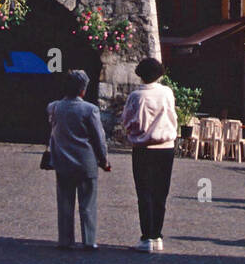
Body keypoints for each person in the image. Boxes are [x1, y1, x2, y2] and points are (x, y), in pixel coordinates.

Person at [47, 70, 110, 250]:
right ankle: (89, 240)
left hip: (63, 161)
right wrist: (104, 160)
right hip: (86, 162)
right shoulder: (90, 110)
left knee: (65, 203)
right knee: (88, 204)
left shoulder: (54, 107)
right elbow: (99, 138)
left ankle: (65, 240)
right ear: (83, 90)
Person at [121, 58, 178, 253]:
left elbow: (126, 121)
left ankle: (146, 237)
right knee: (161, 193)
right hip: (166, 147)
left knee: (144, 193)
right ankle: (157, 235)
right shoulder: (167, 93)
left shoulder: (136, 96)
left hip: (143, 148)